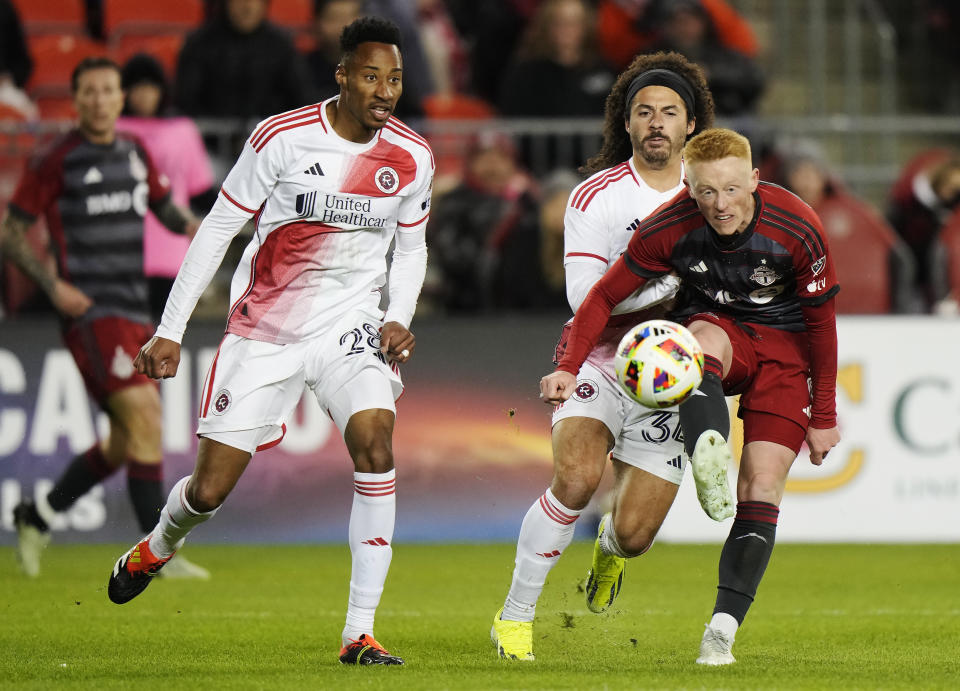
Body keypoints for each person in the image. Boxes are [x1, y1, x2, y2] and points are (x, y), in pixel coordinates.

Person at [105, 17, 434, 668]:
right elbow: (217, 230)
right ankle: (158, 545)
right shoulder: (281, 138)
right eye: (371, 75)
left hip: (351, 323)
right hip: (266, 329)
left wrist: (397, 314)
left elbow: (412, 246)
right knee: (209, 491)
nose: (385, 91)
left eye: (394, 78)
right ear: (341, 75)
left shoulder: (412, 156)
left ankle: (359, 633)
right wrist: (170, 329)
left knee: (375, 440)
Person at [541, 127, 841, 665]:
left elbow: (821, 326)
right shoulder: (671, 225)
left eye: (730, 190)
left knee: (764, 484)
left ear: (754, 179)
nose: (719, 205)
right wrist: (566, 366)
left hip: (787, 348)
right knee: (697, 340)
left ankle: (720, 632)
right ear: (689, 185)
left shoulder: (798, 227)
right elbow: (604, 295)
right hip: (720, 328)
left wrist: (824, 414)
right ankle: (708, 444)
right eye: (705, 192)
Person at [490, 51, 718, 662]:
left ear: (690, 124)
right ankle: (514, 617)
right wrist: (667, 283)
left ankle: (611, 552)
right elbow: (583, 296)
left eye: (670, 112)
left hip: (672, 376)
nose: (656, 123)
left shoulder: (711, 197)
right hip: (600, 361)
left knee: (636, 536)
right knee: (576, 478)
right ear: (627, 122)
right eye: (644, 112)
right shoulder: (596, 197)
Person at [1, 57, 205, 579]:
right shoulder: (58, 159)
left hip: (137, 309)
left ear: (121, 99)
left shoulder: (136, 152)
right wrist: (53, 286)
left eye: (107, 90)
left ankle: (37, 514)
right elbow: (11, 231)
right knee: (144, 420)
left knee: (125, 440)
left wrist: (203, 229)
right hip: (91, 312)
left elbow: (164, 210)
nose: (98, 100)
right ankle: (156, 556)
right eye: (88, 91)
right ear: (76, 99)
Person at [116, 53, 216, 320]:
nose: (144, 96)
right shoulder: (110, 130)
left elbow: (201, 191)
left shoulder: (183, 130)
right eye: (137, 88)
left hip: (171, 251)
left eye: (150, 87)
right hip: (120, 251)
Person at [175, 0, 314, 119]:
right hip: (210, 145)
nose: (248, 7)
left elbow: (301, 99)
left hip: (270, 145)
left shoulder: (281, 44)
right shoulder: (199, 44)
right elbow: (185, 103)